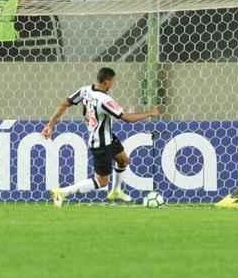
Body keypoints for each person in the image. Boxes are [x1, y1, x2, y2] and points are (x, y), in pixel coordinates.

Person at [41, 66, 162, 206]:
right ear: (106, 82)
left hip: (108, 136)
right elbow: (127, 118)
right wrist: (150, 113)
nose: (113, 84)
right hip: (101, 143)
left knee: (123, 160)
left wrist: (50, 125)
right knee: (101, 182)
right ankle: (62, 192)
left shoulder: (85, 90)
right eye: (113, 81)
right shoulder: (104, 100)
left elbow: (64, 104)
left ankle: (116, 191)